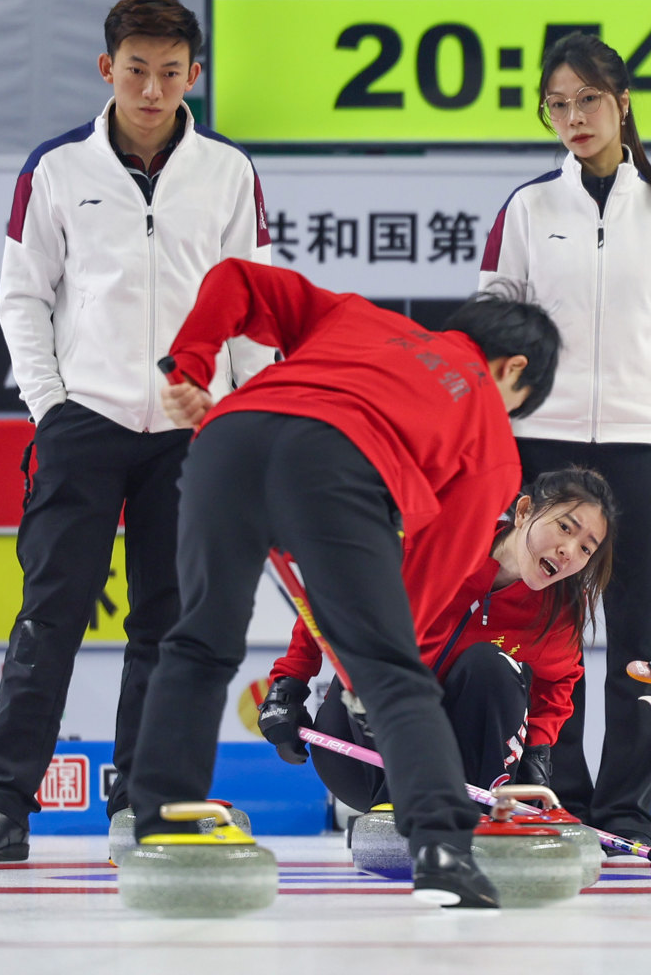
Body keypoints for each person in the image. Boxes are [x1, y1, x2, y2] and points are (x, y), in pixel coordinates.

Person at [0, 0, 274, 862]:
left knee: (167, 623)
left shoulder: (229, 172)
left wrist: (244, 417)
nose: (154, 90)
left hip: (191, 431)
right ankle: (4, 804)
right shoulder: (57, 169)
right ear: (107, 69)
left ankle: (146, 800)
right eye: (137, 70)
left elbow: (255, 304)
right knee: (49, 616)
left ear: (193, 74)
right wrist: (51, 407)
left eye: (171, 72)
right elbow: (23, 296)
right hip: (84, 423)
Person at [128, 258, 561, 910]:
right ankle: (442, 853)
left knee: (197, 645)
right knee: (394, 667)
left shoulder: (358, 317)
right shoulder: (491, 434)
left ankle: (161, 820)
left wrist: (191, 364)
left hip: (228, 439)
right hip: (339, 460)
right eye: (520, 406)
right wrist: (371, 660)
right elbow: (425, 589)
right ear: (515, 370)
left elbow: (237, 280)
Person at [478, 31, 651, 850]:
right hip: (540, 447)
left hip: (637, 446)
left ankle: (627, 810)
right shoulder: (528, 208)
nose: (573, 117)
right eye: (558, 104)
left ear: (622, 105)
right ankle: (558, 796)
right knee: (549, 632)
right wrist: (493, 438)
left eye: (588, 100)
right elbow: (490, 332)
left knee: (636, 642)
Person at [260, 467, 615, 815]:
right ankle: (392, 810)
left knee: (491, 665)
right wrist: (287, 688)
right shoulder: (436, 538)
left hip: (460, 773)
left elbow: (557, 684)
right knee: (382, 645)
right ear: (523, 511)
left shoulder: (561, 608)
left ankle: (471, 815)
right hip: (363, 756)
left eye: (587, 549)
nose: (570, 550)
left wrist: (537, 752)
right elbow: (335, 598)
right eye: (565, 527)